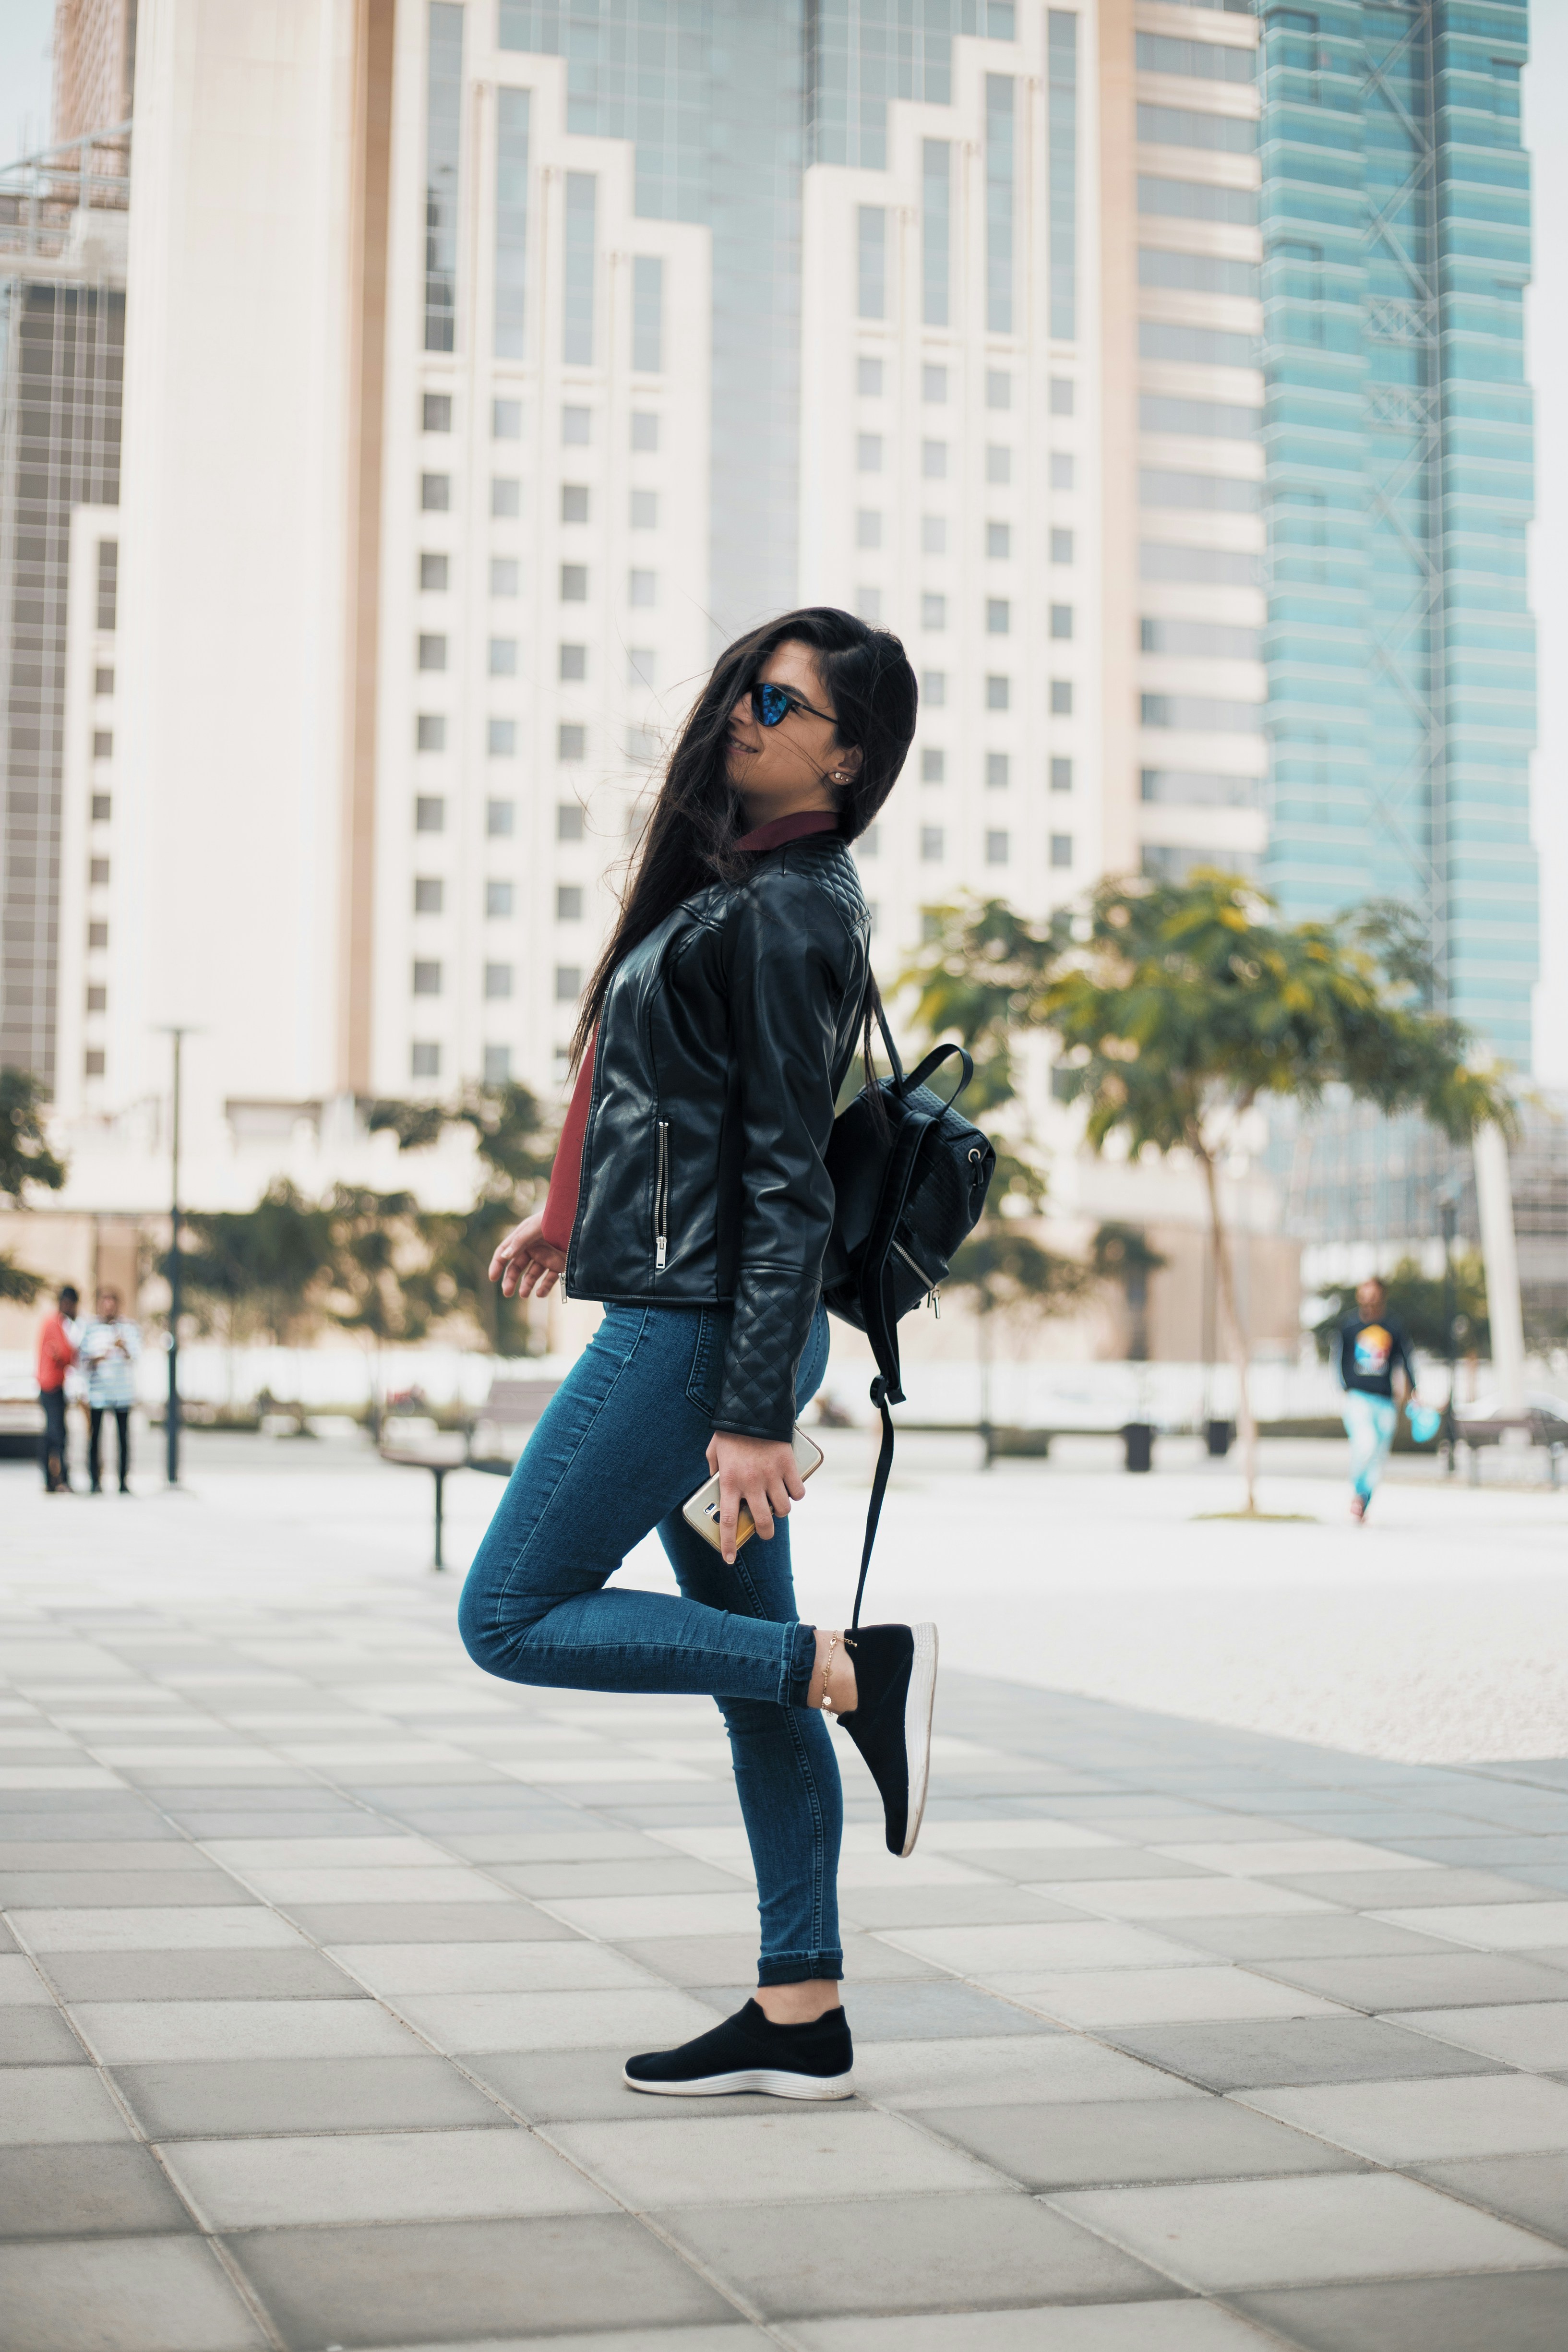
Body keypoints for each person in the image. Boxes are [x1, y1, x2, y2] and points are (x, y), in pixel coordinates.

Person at [459, 608, 931, 2102]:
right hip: (696, 1314)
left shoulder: (792, 909)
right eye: (742, 681)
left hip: (701, 1335)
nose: (740, 706)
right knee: (752, 1685)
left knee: (513, 1612)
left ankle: (856, 1666)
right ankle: (802, 2009)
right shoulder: (742, 888)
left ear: (847, 757)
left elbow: (788, 1170)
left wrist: (748, 1410)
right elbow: (649, 1086)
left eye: (776, 698)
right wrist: (561, 1213)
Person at [1337, 1274, 1419, 1521]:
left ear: (1381, 1295)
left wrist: (1414, 1390)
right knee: (1366, 1444)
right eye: (1364, 1293)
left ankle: (1363, 1500)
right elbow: (1340, 1359)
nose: (1368, 1298)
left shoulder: (1393, 1326)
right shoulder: (1350, 1325)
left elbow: (1405, 1359)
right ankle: (1358, 1493)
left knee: (1379, 1457)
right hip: (1359, 1398)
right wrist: (1347, 1387)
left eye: (1373, 1293)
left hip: (1385, 1401)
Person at [79, 1285, 141, 1494]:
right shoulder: (90, 1328)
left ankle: (123, 1481)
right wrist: (101, 1355)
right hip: (99, 1393)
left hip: (122, 1394)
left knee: (123, 1439)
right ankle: (95, 1481)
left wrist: (122, 1346)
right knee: (95, 1439)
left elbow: (137, 1356)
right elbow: (82, 1359)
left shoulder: (128, 1327)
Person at [36, 1285, 79, 1493]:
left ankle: (51, 1479)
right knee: (57, 1434)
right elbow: (66, 1353)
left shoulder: (54, 1323)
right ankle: (57, 1478)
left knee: (54, 1432)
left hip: (52, 1384)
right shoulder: (55, 1323)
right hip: (51, 1385)